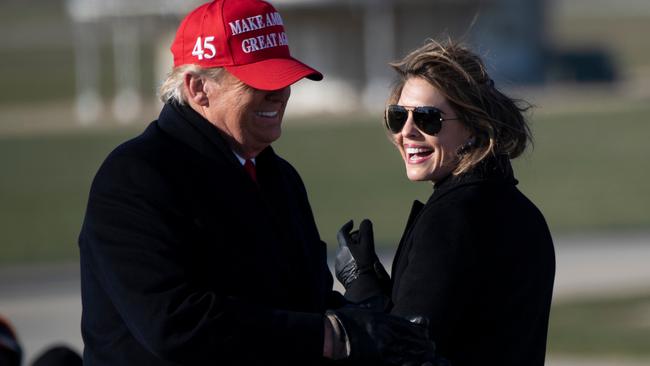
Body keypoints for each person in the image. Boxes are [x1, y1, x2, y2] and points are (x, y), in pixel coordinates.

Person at [78, 0, 438, 365]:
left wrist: (366, 316)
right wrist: (332, 336)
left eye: (284, 79)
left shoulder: (277, 176)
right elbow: (175, 324)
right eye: (260, 81)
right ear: (199, 88)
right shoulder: (135, 178)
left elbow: (298, 304)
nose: (280, 93)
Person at [336, 39, 556, 366]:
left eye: (427, 119)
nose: (407, 132)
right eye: (397, 117)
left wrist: (363, 290)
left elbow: (403, 355)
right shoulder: (520, 209)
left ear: (473, 126)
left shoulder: (451, 220)